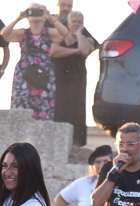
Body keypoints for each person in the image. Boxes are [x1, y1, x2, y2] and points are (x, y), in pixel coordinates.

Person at [2, 4, 67, 120]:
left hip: (43, 74)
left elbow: (65, 34)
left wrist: (50, 18)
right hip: (25, 73)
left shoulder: (49, 33)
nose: (35, 13)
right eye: (32, 10)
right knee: (22, 103)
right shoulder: (23, 33)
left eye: (38, 11)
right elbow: (5, 34)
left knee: (44, 104)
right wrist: (19, 18)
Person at [51, 10, 96, 145]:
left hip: (77, 79)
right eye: (74, 21)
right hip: (60, 78)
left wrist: (79, 35)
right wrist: (75, 51)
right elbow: (54, 52)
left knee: (77, 109)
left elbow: (85, 51)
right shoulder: (59, 37)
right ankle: (59, 141)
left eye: (79, 22)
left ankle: (76, 142)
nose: (76, 24)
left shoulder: (87, 39)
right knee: (59, 107)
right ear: (68, 23)